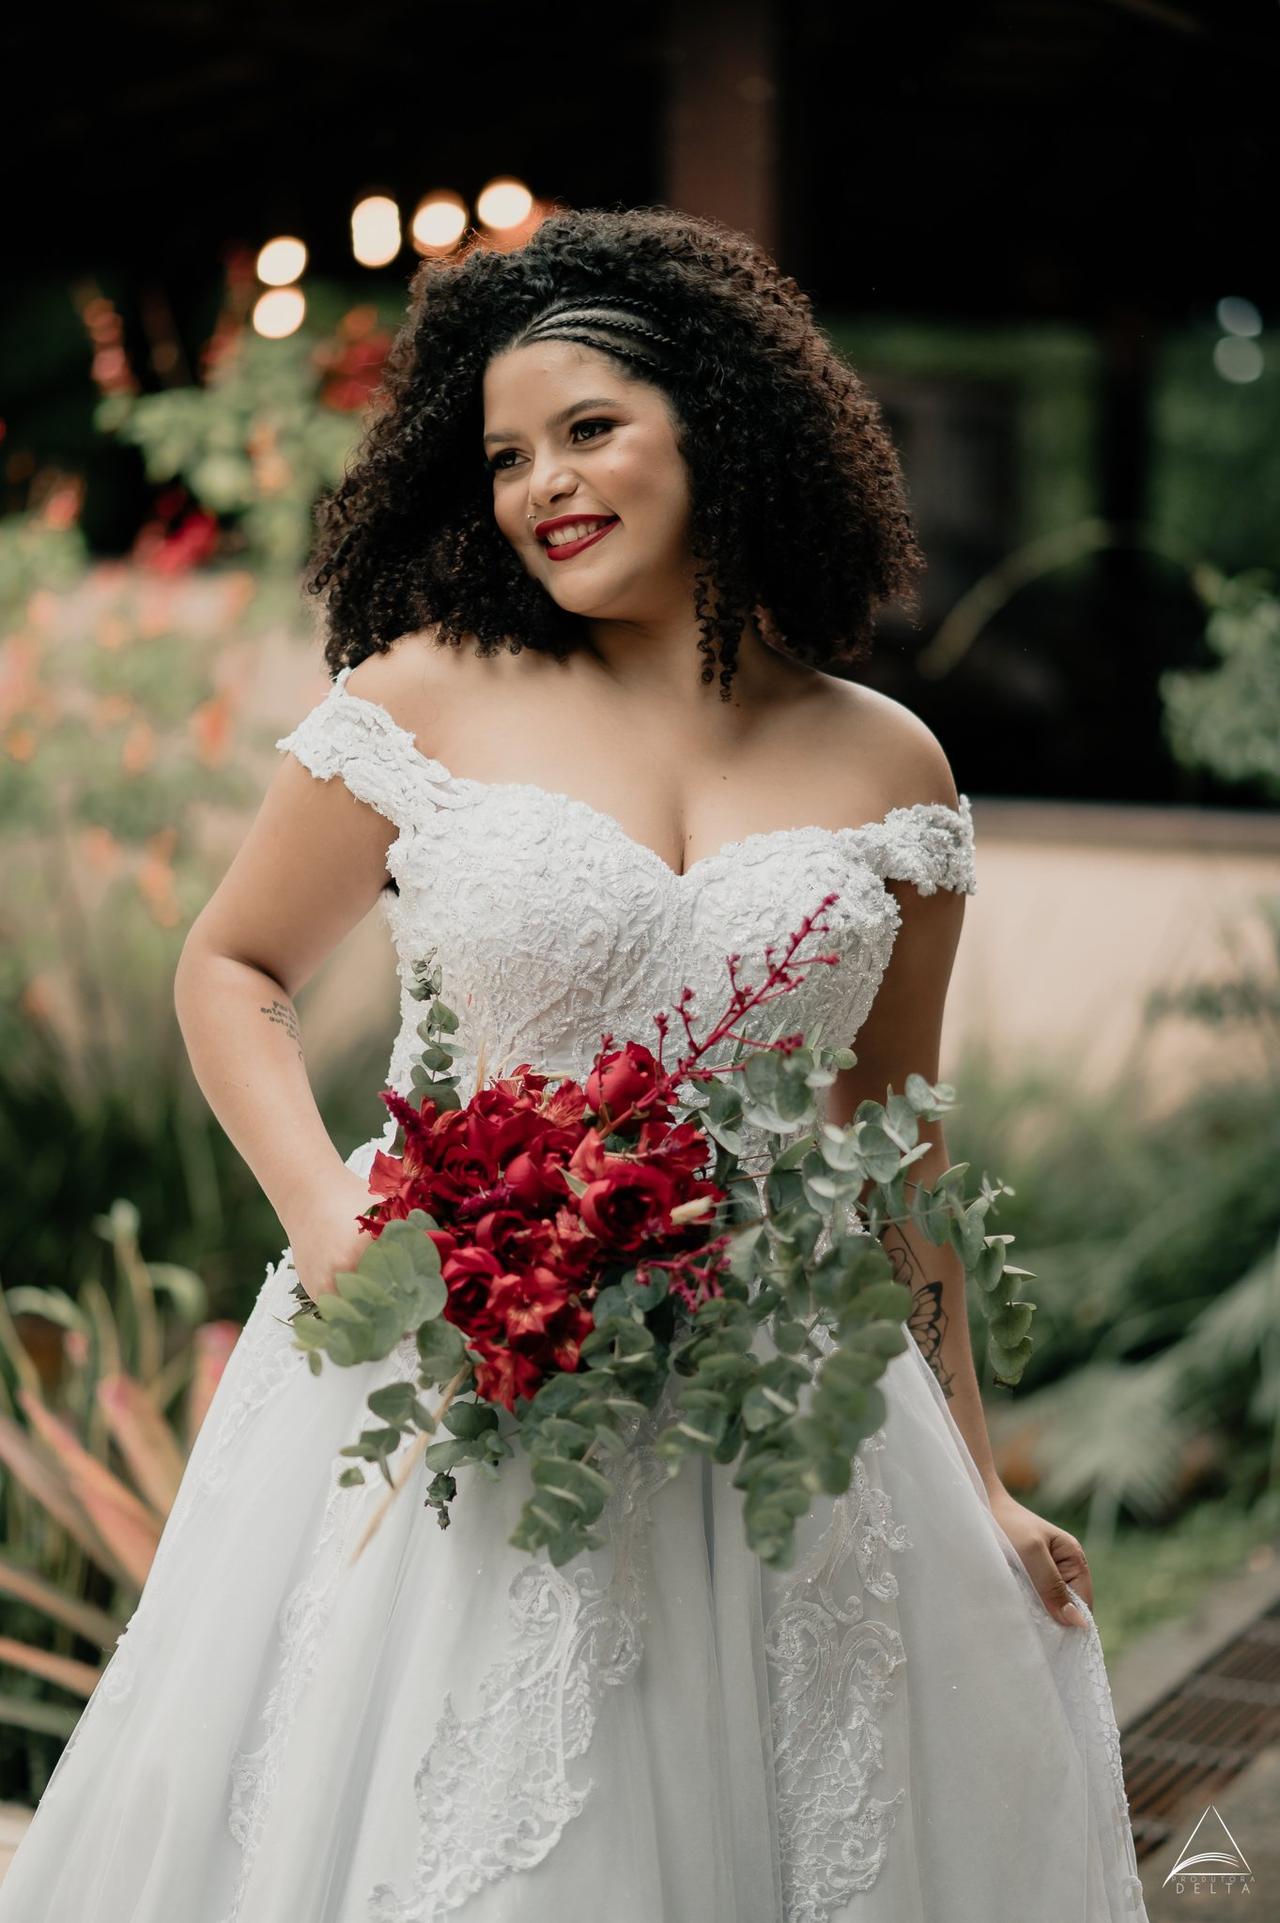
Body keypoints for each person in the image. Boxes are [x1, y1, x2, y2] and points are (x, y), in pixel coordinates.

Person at [0, 204, 1149, 1921]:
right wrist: (329, 1221)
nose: (544, 483)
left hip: (787, 1422)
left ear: (723, 425)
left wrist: (976, 1473)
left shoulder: (889, 761)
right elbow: (227, 966)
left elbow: (892, 1149)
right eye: (507, 455)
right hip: (458, 1386)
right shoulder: (423, 697)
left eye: (590, 430)